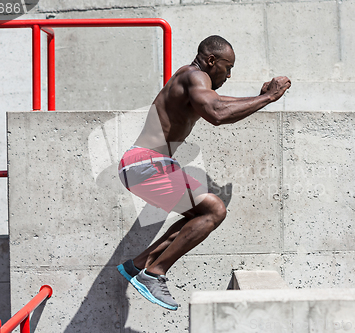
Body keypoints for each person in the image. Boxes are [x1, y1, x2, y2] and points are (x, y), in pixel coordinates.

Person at [117, 35, 291, 310]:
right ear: (211, 60)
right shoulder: (194, 76)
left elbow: (218, 102)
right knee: (215, 210)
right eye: (227, 67)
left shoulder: (191, 79)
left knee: (199, 217)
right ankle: (153, 273)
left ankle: (136, 265)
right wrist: (270, 97)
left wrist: (259, 98)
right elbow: (217, 113)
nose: (230, 74)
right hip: (145, 164)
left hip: (146, 164)